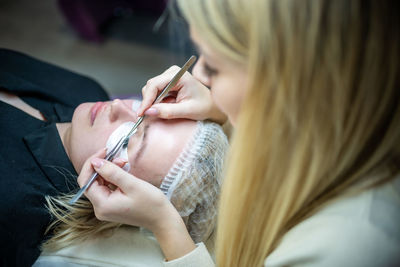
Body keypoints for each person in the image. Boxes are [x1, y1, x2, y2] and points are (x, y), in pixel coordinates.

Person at [78, 0, 400, 266]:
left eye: (215, 66)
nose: (199, 73)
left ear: (286, 83)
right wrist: (225, 109)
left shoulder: (348, 248)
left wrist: (167, 226)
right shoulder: (343, 124)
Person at [0, 48, 228, 266]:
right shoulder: (85, 90)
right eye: (145, 107)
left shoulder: (11, 207)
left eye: (126, 139)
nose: (118, 105)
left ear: (113, 187)